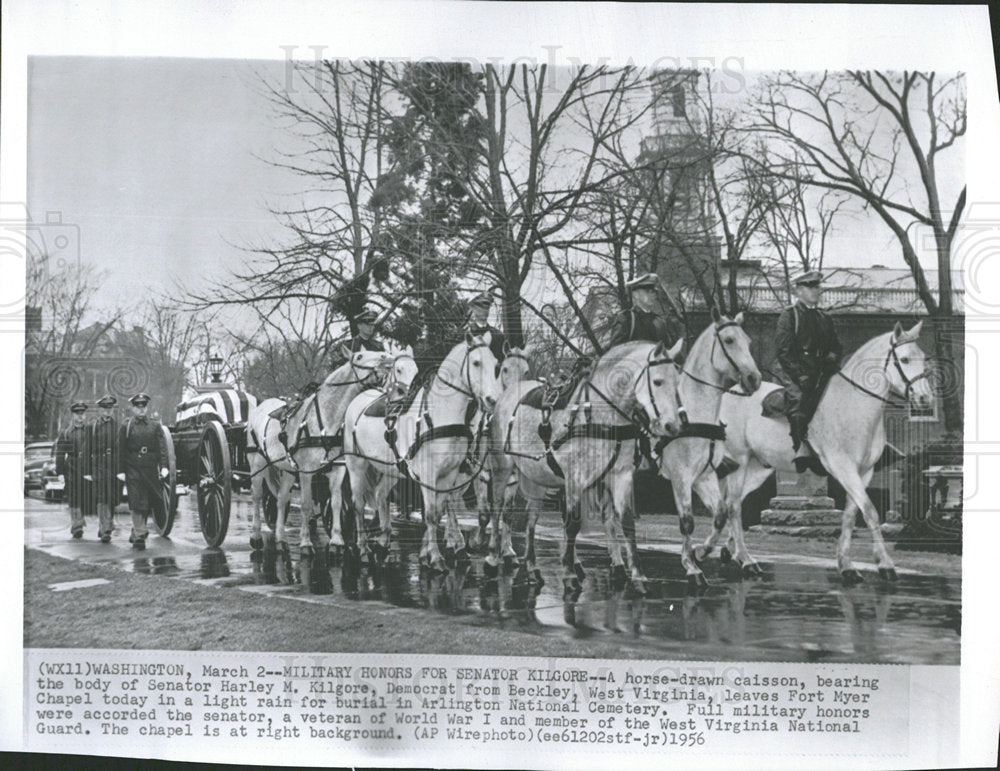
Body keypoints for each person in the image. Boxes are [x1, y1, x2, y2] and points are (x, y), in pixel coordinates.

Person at [774, 269, 842, 472]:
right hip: (795, 372)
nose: (817, 291)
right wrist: (800, 375)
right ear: (799, 291)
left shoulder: (824, 317)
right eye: (811, 287)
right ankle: (801, 448)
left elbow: (836, 346)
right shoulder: (789, 316)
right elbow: (783, 352)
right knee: (799, 401)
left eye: (818, 286)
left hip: (822, 372)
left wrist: (833, 357)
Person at [117, 393, 168, 550]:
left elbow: (162, 448)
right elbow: (121, 450)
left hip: (150, 467)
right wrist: (121, 470)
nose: (141, 409)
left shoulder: (155, 426)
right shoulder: (126, 426)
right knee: (136, 500)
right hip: (133, 467)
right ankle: (140, 534)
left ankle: (137, 531)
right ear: (133, 408)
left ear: (147, 407)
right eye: (138, 407)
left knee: (147, 502)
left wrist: (164, 466)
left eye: (143, 406)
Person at [606, 273, 680, 349]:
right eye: (648, 291)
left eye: (654, 292)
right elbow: (616, 352)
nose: (653, 294)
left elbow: (667, 350)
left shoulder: (659, 321)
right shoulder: (627, 319)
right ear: (636, 295)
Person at [55, 402, 92, 539]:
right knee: (74, 497)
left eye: (82, 414)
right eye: (78, 414)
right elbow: (60, 453)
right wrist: (60, 472)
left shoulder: (91, 431)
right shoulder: (65, 433)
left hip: (88, 467)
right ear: (73, 415)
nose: (80, 417)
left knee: (85, 497)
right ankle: (77, 526)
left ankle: (81, 520)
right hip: (71, 468)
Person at [91, 394, 119, 543]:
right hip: (99, 465)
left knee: (112, 498)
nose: (108, 411)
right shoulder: (94, 426)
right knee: (102, 498)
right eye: (105, 409)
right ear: (100, 410)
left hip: (113, 465)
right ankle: (105, 528)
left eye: (110, 409)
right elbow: (88, 449)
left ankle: (107, 524)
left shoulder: (118, 426)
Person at [466, 289, 506, 373]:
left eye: (487, 307)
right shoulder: (466, 335)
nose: (485, 311)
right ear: (473, 308)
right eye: (481, 307)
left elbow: (503, 365)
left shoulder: (498, 336)